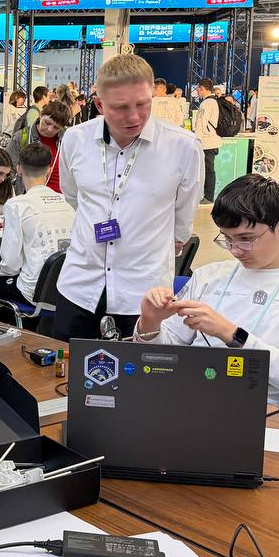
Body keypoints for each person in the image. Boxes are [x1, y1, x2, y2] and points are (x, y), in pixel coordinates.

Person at [135, 175, 279, 411]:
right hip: (184, 401)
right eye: (227, 239)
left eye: (246, 239)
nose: (235, 250)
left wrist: (232, 334)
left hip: (260, 412)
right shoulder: (209, 276)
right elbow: (158, 361)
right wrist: (150, 323)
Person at [55, 54, 203, 341]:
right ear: (99, 105)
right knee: (65, 366)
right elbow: (72, 196)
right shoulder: (75, 139)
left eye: (142, 104)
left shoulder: (183, 147)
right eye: (121, 107)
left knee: (138, 368)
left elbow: (182, 223)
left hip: (143, 293)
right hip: (80, 286)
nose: (134, 117)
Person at [0, 142, 74, 306]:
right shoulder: (66, 203)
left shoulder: (16, 206)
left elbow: (10, 264)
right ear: (49, 170)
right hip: (66, 290)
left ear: (19, 169)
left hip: (33, 292)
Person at [11, 99, 70, 193]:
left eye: (56, 127)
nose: (50, 129)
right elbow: (9, 168)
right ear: (41, 115)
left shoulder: (67, 140)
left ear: (62, 128)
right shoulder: (22, 137)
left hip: (60, 197)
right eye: (47, 123)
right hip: (29, 195)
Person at [193, 78, 221, 204]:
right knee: (208, 169)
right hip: (210, 141)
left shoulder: (207, 103)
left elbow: (202, 124)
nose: (197, 92)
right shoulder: (214, 101)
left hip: (207, 142)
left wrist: (197, 139)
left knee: (208, 170)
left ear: (202, 88)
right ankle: (208, 196)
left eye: (198, 89)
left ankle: (209, 197)